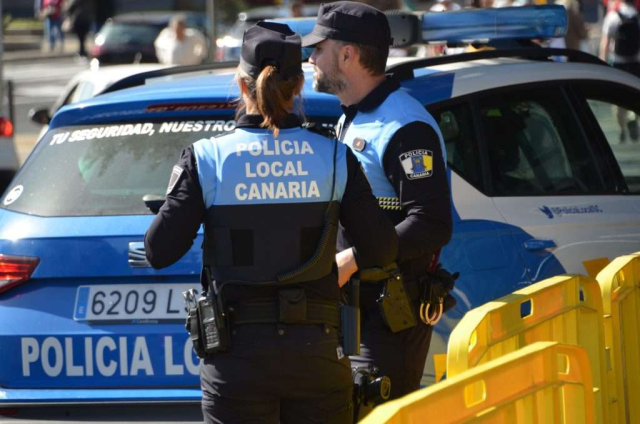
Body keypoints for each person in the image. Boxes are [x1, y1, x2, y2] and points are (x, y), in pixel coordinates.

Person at [145, 21, 399, 423]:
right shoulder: (334, 158)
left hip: (236, 361)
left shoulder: (207, 159)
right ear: (298, 87)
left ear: (242, 85)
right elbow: (383, 248)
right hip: (317, 355)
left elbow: (159, 251)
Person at [303, 1, 453, 401]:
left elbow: (433, 223)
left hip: (391, 312)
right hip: (355, 309)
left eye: (319, 48)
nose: (311, 57)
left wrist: (351, 259)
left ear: (348, 55)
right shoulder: (353, 115)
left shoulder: (404, 126)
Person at [600, 0, 640, 142]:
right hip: (636, 62)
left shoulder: (612, 17)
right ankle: (632, 116)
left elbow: (605, 43)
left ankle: (622, 129)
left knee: (617, 99)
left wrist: (602, 64)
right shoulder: (637, 16)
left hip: (618, 62)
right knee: (636, 93)